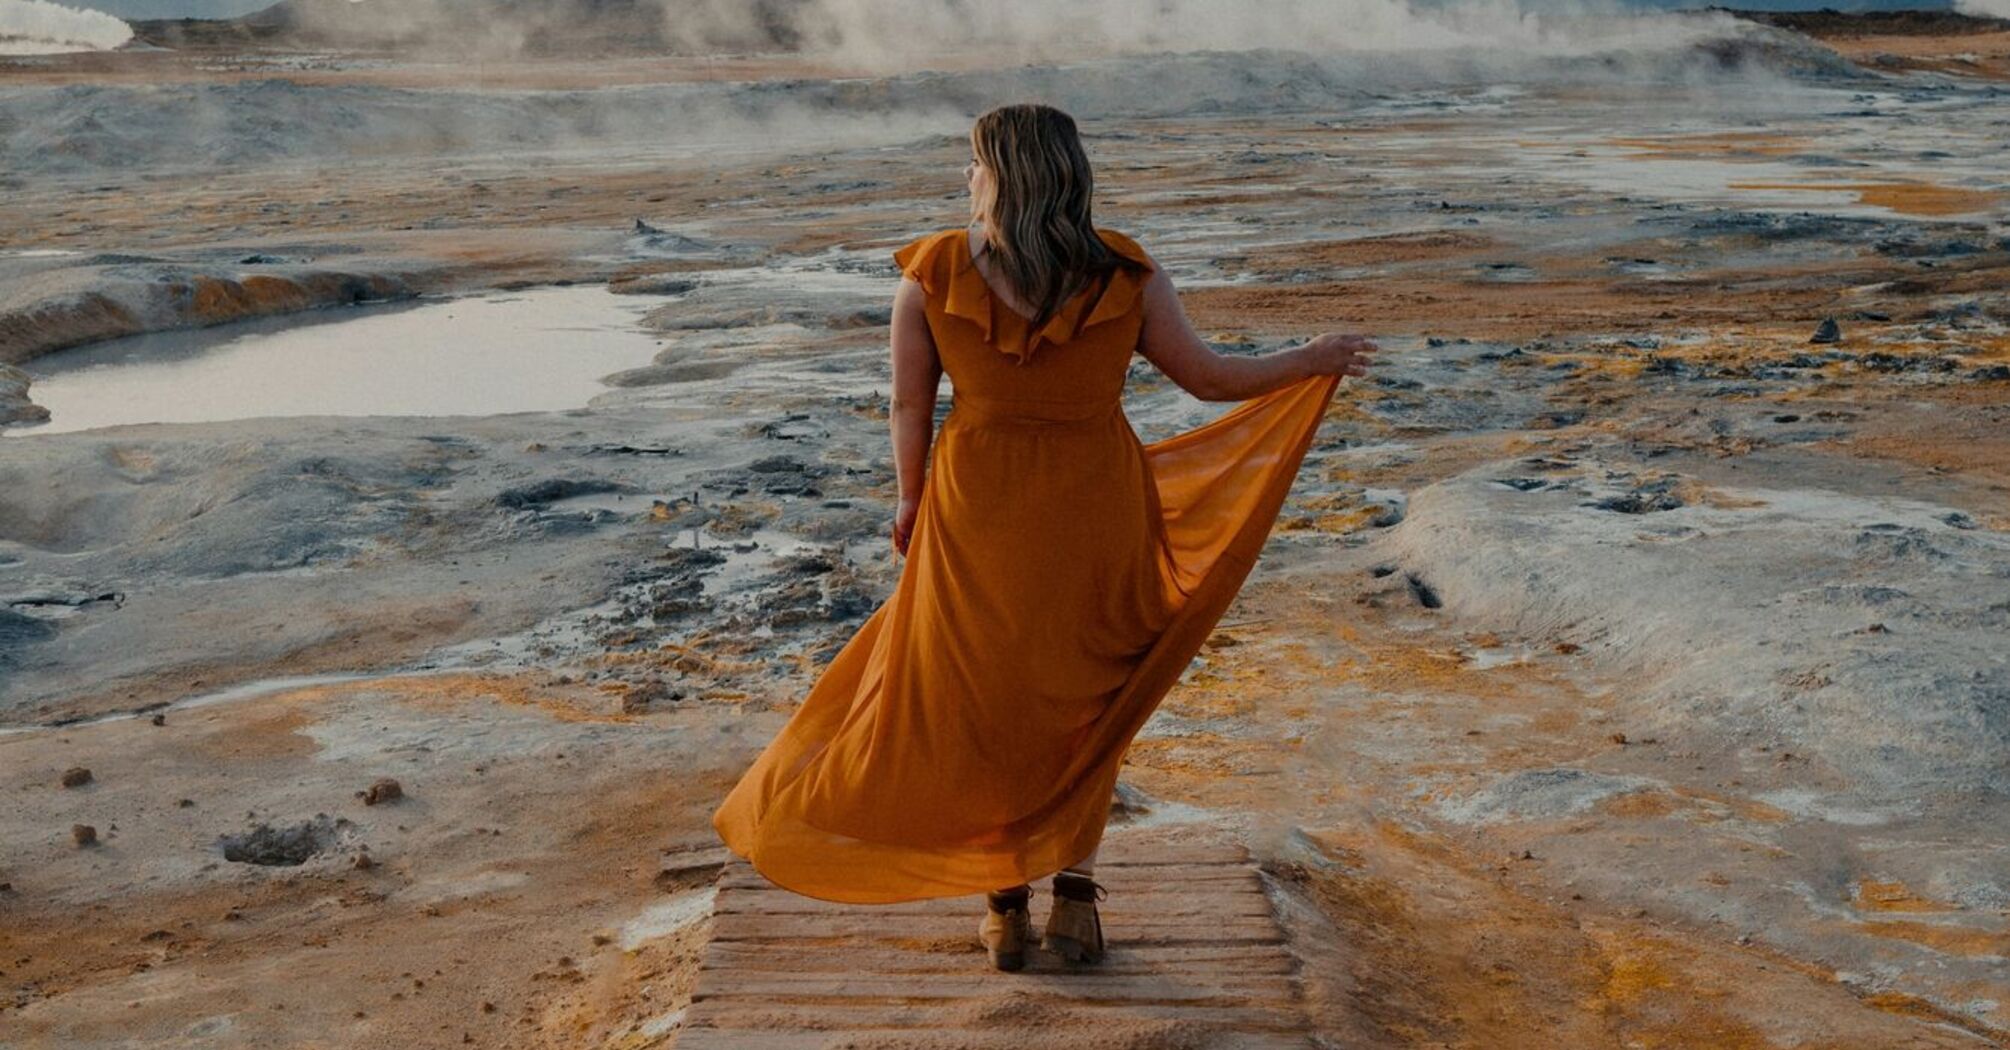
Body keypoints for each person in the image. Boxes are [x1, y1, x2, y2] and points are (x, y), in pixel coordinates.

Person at [711, 102, 1377, 972]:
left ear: (1003, 173)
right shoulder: (1128, 277)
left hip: (975, 510)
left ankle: (1002, 908)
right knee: (1085, 705)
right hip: (1096, 513)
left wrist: (910, 502)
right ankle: (1072, 905)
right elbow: (1212, 379)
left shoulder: (932, 274)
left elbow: (912, 406)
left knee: (981, 705)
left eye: (973, 163)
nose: (965, 178)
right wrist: (1310, 358)